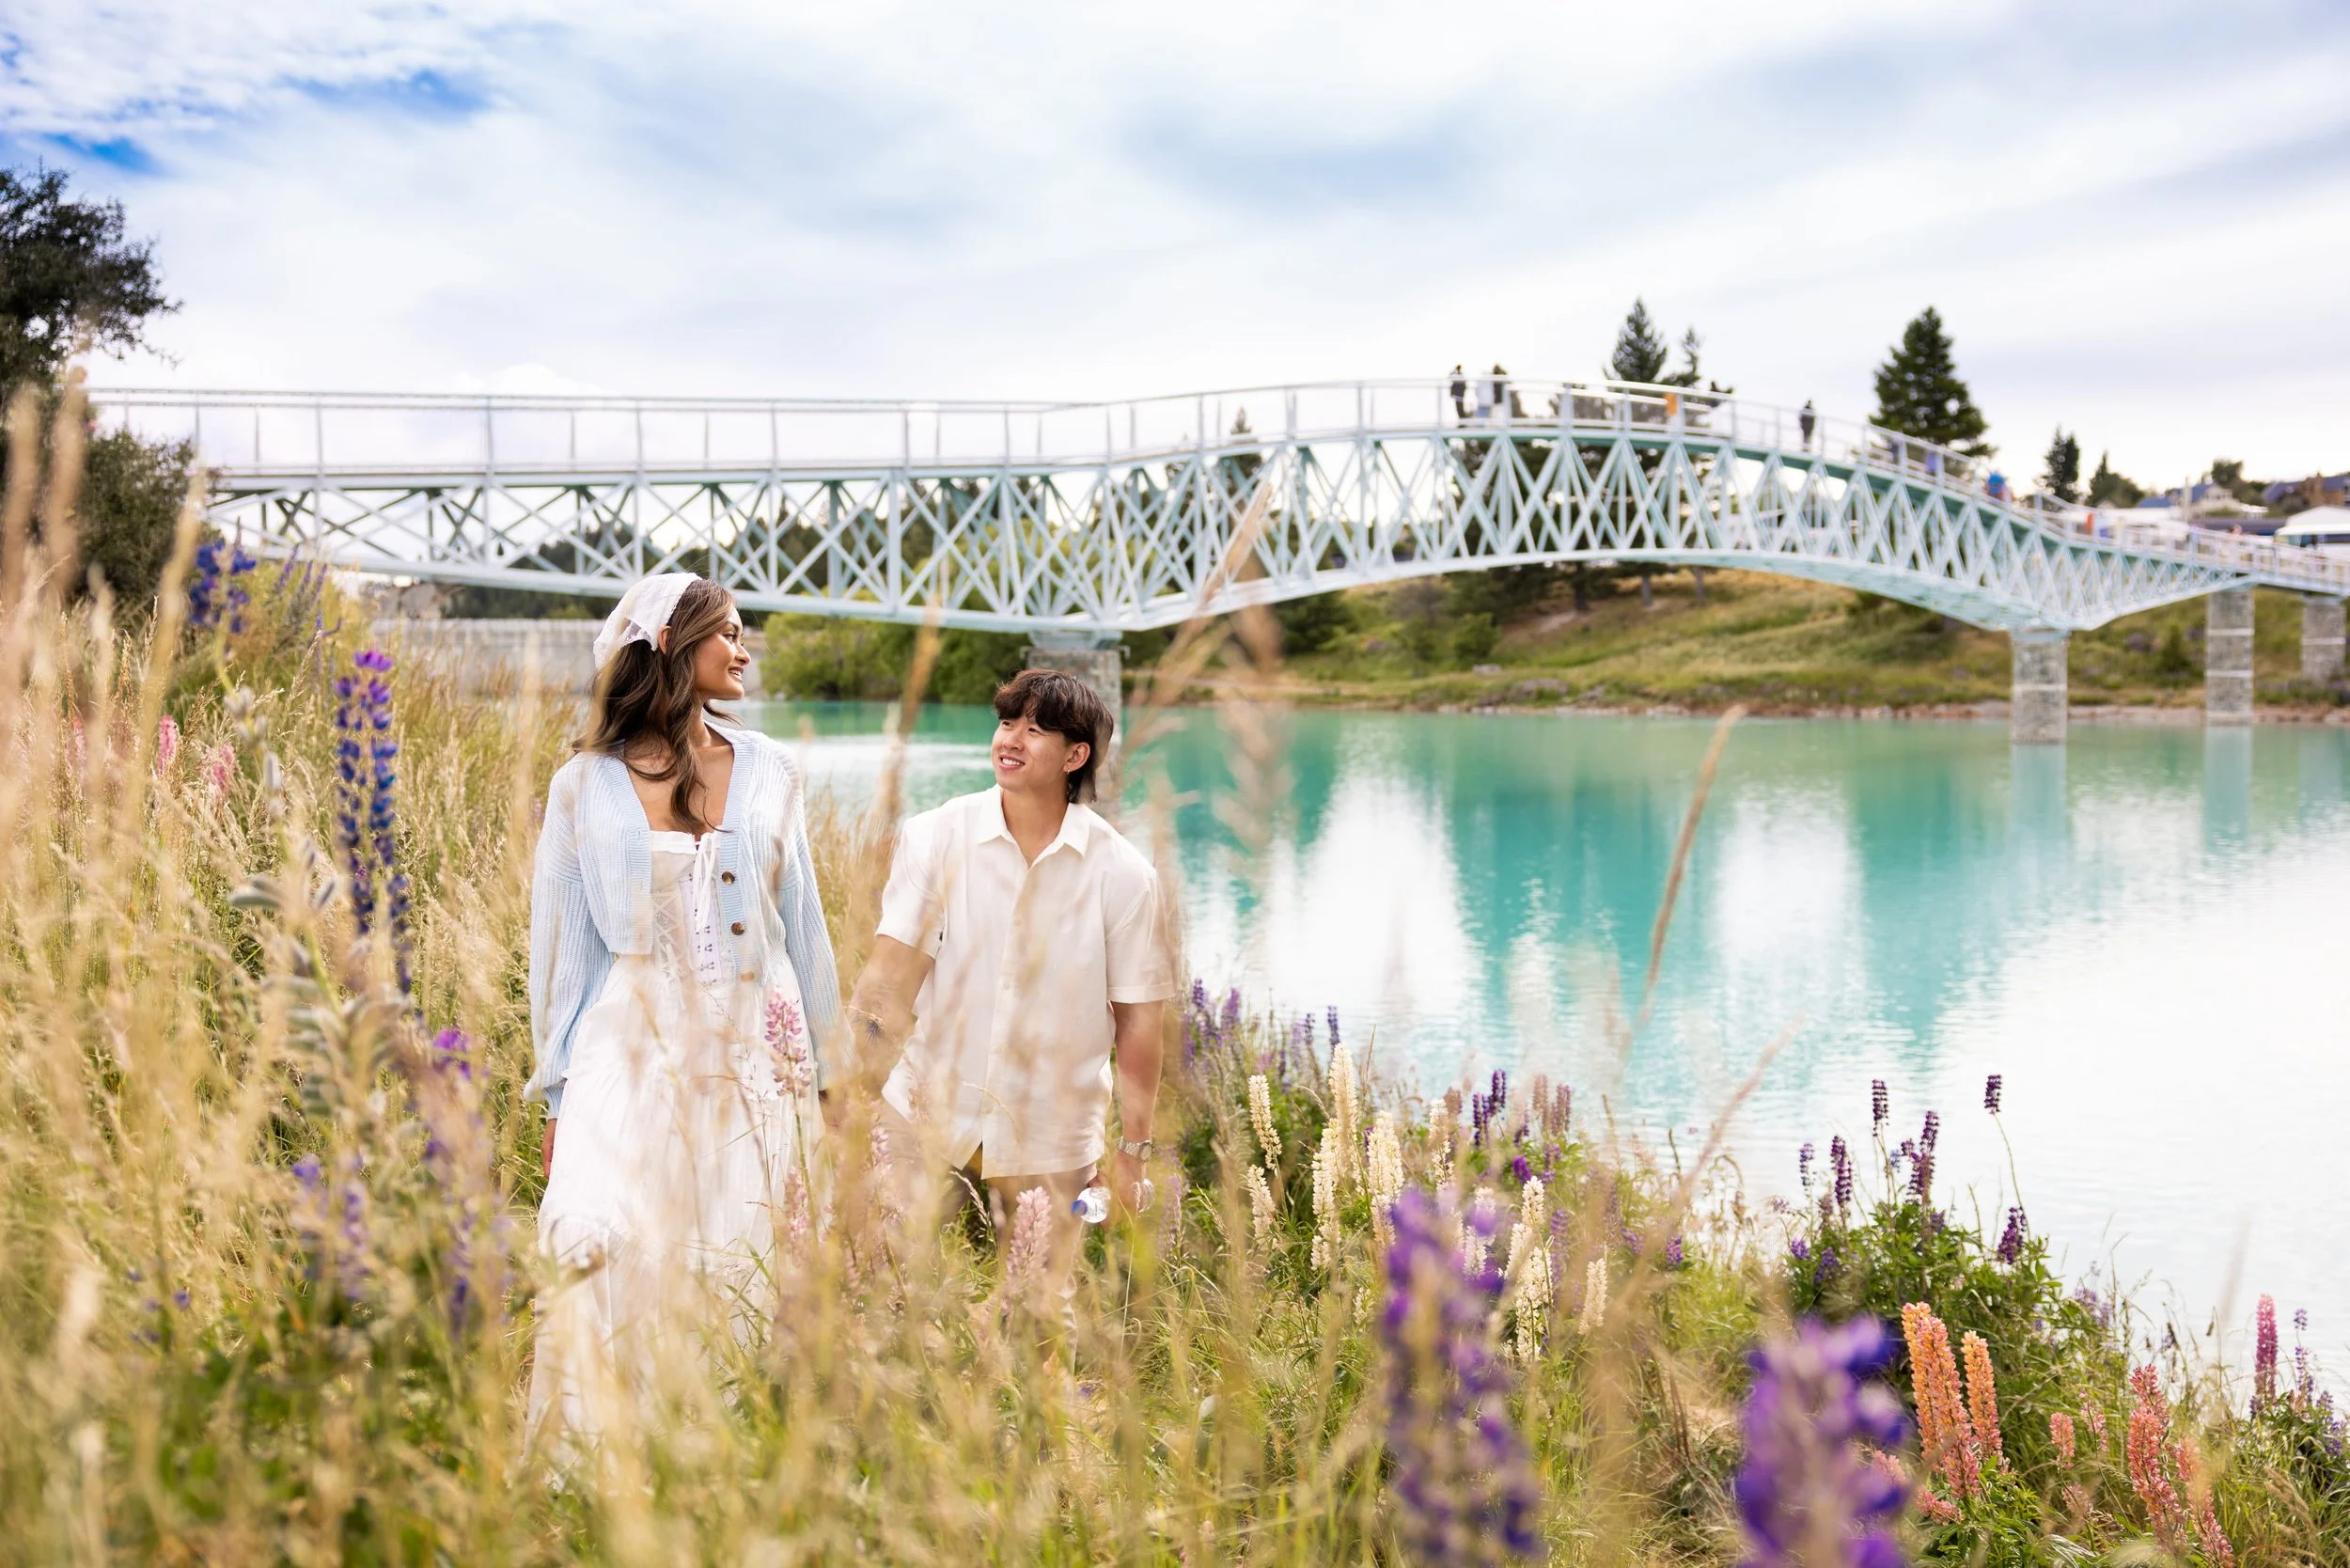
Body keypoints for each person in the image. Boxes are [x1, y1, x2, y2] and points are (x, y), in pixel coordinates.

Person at [524, 572, 841, 1437]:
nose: (744, 650)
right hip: (626, 1043)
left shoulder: (773, 770)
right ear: (671, 643)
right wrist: (556, 1088)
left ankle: (716, 1450)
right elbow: (562, 949)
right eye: (729, 633)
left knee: (737, 1246)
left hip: (758, 1045)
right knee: (591, 1228)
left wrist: (834, 1079)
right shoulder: (583, 783)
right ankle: (596, 1459)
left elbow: (805, 932)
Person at [843, 668, 1171, 1285]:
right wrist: (849, 1094)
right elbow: (889, 978)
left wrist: (1132, 1155)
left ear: (1077, 756)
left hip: (1049, 1140)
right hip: (922, 1117)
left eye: (1036, 730)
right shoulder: (936, 836)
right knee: (881, 1295)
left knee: (1038, 1320)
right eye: (1006, 723)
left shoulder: (1123, 875)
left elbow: (1139, 1023)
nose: (1011, 740)